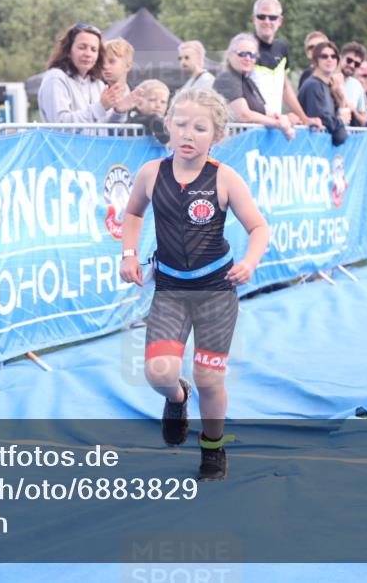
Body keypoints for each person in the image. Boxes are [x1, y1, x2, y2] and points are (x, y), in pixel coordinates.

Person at [119, 87, 270, 481]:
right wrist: (129, 255)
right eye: (181, 124)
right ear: (167, 125)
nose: (188, 134)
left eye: (199, 128)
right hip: (170, 291)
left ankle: (213, 447)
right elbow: (133, 213)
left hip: (216, 293)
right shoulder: (151, 174)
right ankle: (177, 397)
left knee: (211, 378)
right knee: (159, 372)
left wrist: (251, 262)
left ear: (216, 136)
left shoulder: (224, 178)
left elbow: (258, 227)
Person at [37, 23, 125, 124]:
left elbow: (106, 130)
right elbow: (60, 124)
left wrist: (119, 112)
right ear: (68, 51)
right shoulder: (55, 78)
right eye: (82, 47)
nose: (88, 54)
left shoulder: (98, 84)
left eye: (93, 50)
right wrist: (100, 107)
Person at [213, 33, 296, 139]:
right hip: (230, 147)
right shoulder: (227, 78)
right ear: (230, 55)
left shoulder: (248, 81)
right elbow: (244, 115)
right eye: (242, 54)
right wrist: (278, 124)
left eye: (253, 55)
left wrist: (285, 119)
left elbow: (266, 111)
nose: (248, 58)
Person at [250, 0, 310, 126]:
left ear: (280, 20)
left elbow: (285, 87)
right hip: (251, 126)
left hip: (275, 126)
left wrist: (304, 119)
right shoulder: (245, 47)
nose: (267, 21)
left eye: (272, 17)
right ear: (254, 19)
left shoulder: (281, 48)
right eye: (261, 16)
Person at [297, 41, 349, 145]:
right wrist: (341, 121)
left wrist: (341, 99)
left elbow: (341, 132)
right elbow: (324, 121)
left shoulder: (329, 86)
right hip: (311, 148)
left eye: (333, 56)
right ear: (316, 60)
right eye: (324, 56)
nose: (329, 59)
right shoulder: (313, 85)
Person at [101, 37, 141, 113]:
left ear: (128, 66)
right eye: (102, 62)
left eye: (111, 61)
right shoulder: (95, 91)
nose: (105, 66)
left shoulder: (136, 96)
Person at [126, 79, 171, 144]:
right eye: (152, 100)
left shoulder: (166, 120)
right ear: (139, 104)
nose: (158, 105)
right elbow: (155, 121)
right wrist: (167, 140)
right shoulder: (137, 119)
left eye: (163, 102)